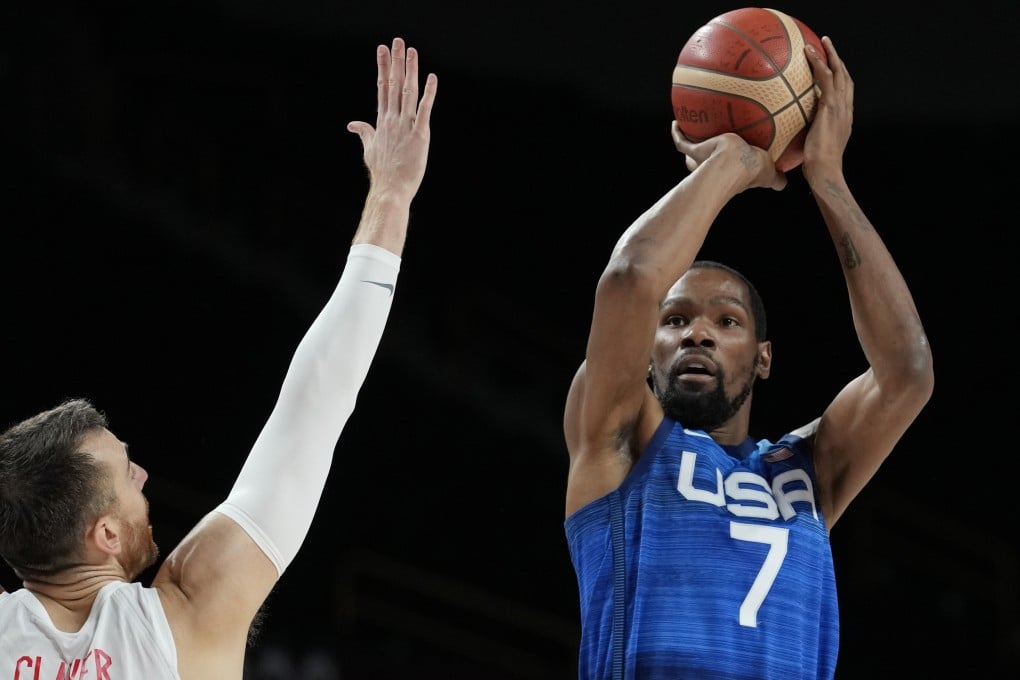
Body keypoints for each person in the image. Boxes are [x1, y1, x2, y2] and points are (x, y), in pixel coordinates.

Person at [0, 36, 436, 679]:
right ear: (106, 535)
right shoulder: (187, 617)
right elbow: (315, 403)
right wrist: (392, 195)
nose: (143, 474)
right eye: (126, 474)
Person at [562, 36, 933, 679]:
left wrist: (828, 179)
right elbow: (629, 279)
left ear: (763, 358)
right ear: (646, 354)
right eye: (675, 320)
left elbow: (908, 373)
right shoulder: (621, 440)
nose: (697, 335)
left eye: (726, 321)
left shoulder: (805, 471)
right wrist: (733, 162)